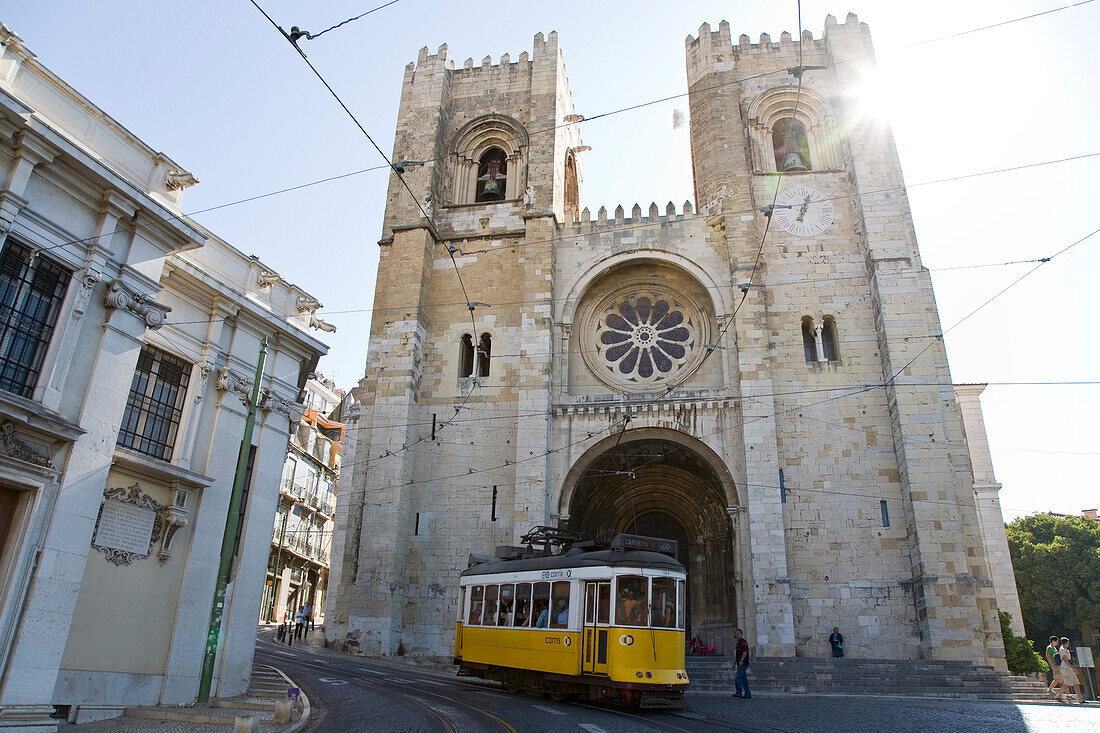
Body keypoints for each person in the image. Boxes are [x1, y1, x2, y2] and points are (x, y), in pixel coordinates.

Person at [1055, 637, 1086, 704]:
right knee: (1071, 683)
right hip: (1066, 669)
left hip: (1068, 668)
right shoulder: (1063, 650)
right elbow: (1066, 660)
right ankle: (1080, 699)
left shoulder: (1065, 649)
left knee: (1073, 683)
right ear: (1066, 643)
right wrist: (1073, 668)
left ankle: (1059, 695)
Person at [733, 628, 751, 699]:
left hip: (743, 663)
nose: (737, 635)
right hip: (740, 662)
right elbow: (737, 654)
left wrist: (741, 660)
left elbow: (745, 652)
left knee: (738, 677)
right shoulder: (738, 643)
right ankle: (747, 693)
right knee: (744, 679)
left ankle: (739, 692)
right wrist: (734, 664)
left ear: (741, 634)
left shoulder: (743, 642)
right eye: (736, 634)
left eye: (738, 633)